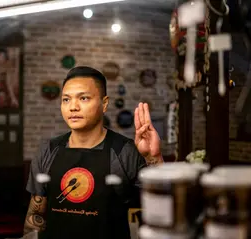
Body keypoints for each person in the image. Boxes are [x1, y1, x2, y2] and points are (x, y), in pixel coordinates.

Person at [24, 66, 163, 239]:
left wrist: (153, 157)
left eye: (83, 98)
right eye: (66, 100)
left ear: (104, 104)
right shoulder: (49, 150)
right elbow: (35, 216)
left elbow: (161, 208)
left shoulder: (124, 151)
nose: (73, 107)